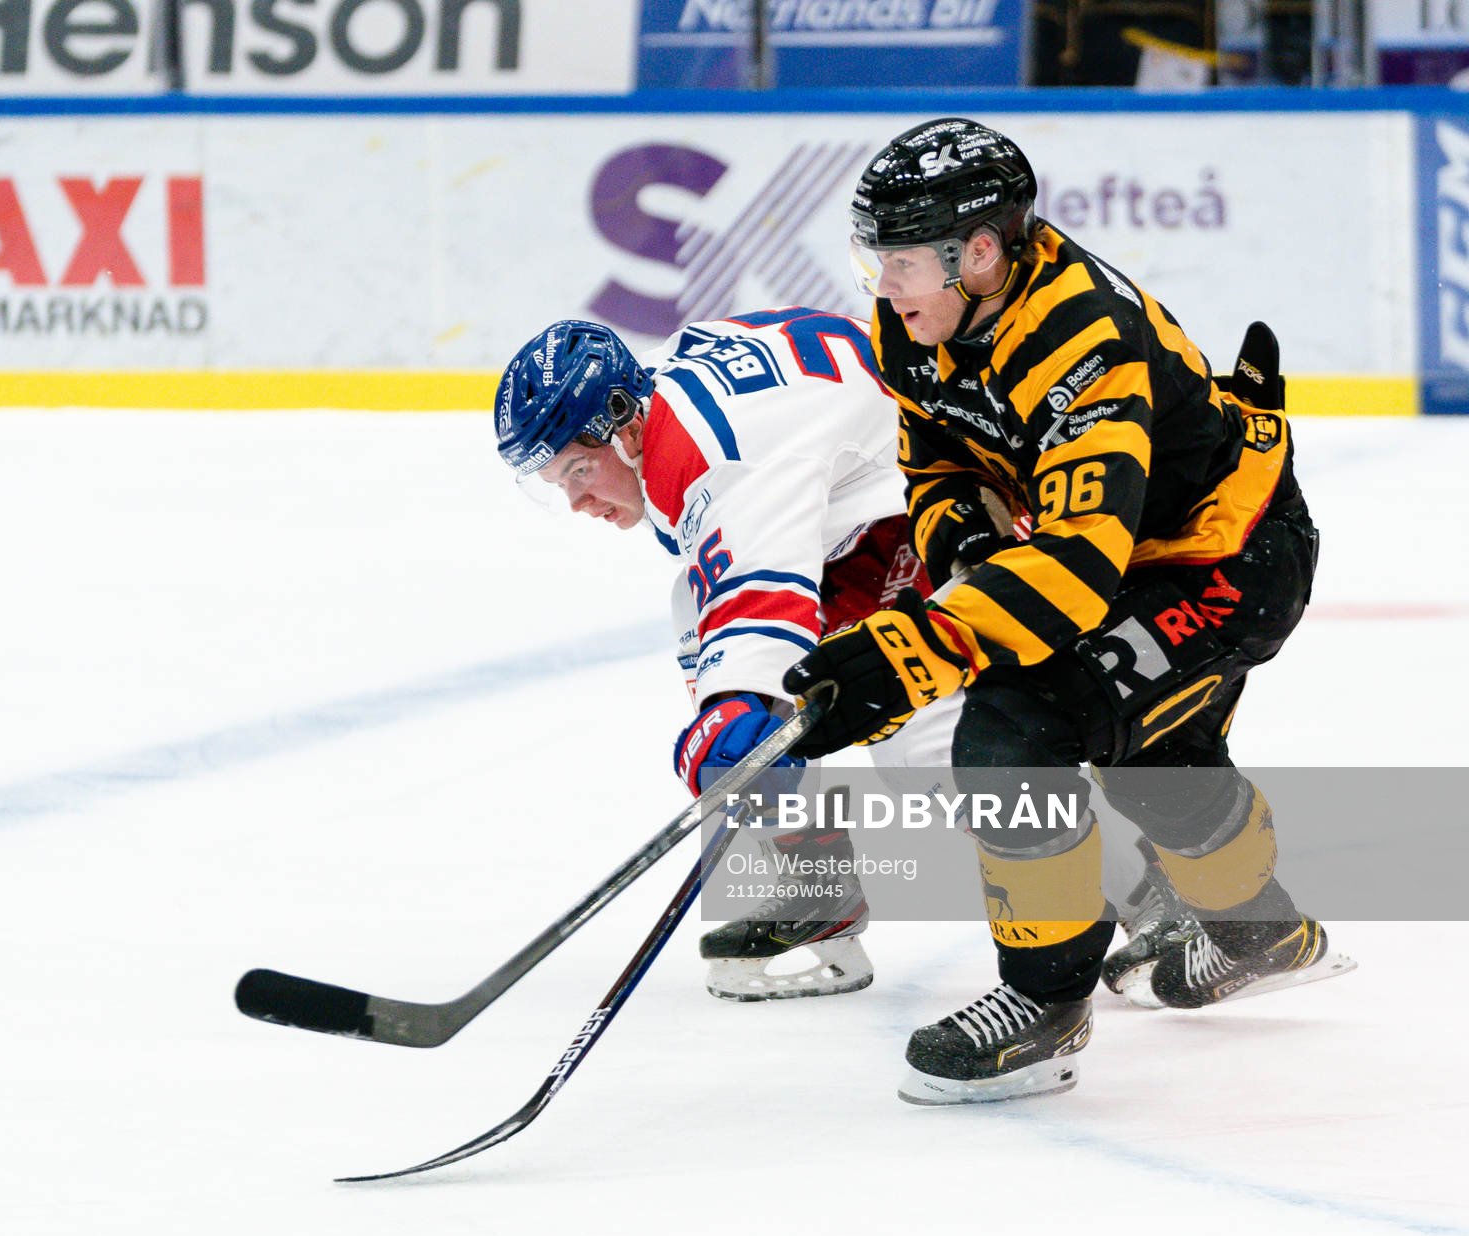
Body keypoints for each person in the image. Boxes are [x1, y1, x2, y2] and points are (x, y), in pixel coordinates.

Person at [779, 118, 1352, 1105]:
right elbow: (941, 452)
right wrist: (961, 537)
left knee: (1018, 725)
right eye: (878, 258)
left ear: (984, 252)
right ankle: (1258, 929)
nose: (884, 283)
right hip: (1146, 551)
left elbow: (1079, 565)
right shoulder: (922, 318)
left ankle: (1043, 1001)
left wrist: (922, 646)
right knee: (1156, 761)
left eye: (904, 260)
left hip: (1229, 560)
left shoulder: (1076, 337)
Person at [493, 309, 962, 1001]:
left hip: (935, 501)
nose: (577, 501)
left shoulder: (718, 453)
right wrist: (740, 717)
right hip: (850, 506)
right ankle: (818, 888)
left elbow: (763, 586)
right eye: (555, 480)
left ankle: (1144, 893)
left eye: (580, 471)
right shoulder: (644, 406)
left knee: (921, 749)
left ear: (623, 424)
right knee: (698, 615)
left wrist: (739, 704)